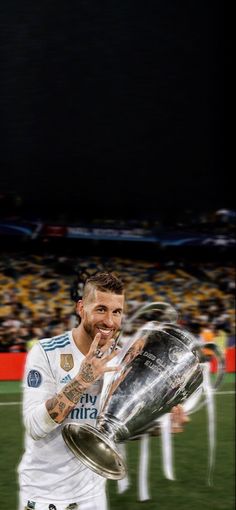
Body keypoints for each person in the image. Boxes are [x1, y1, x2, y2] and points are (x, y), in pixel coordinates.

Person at [18, 272, 187, 510]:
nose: (109, 321)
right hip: (47, 496)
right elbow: (35, 427)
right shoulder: (47, 352)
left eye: (116, 312)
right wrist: (82, 380)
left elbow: (110, 429)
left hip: (93, 496)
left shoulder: (122, 359)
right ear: (81, 308)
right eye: (101, 309)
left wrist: (159, 427)